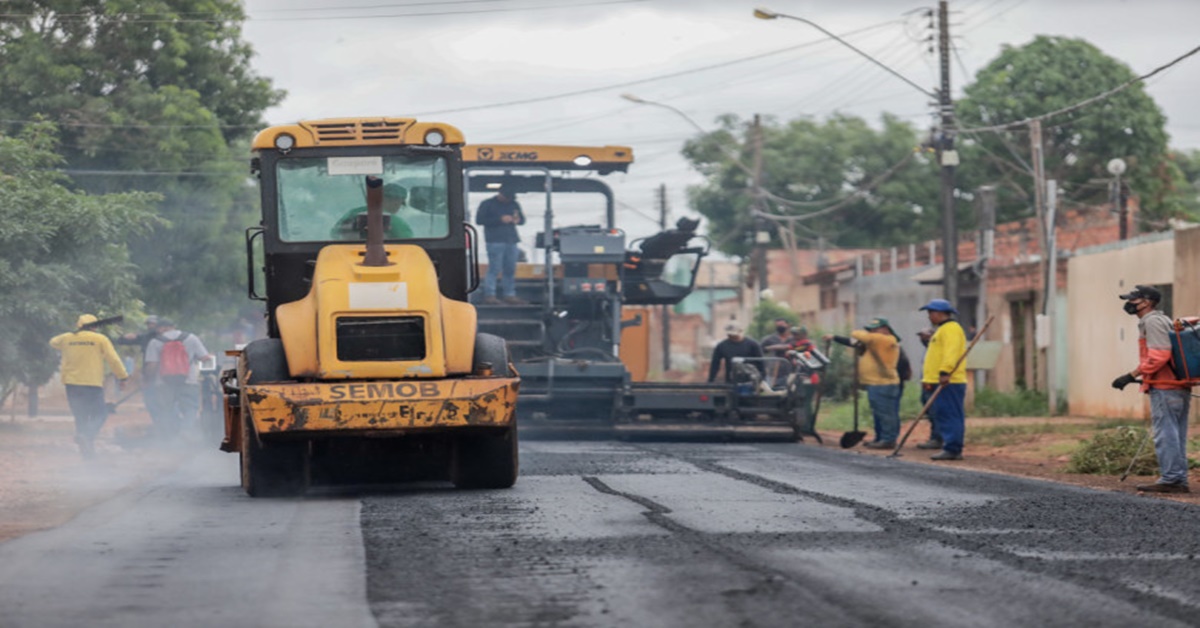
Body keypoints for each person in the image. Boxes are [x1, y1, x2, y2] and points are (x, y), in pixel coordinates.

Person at [1112, 285, 1192, 493]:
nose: (1129, 303)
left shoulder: (1152, 321)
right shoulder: (1162, 319)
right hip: (1176, 386)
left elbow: (1159, 355)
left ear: (1147, 302)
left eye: (1134, 300)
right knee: (1175, 434)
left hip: (1166, 387)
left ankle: (1173, 479)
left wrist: (1131, 375)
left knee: (1165, 434)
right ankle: (1177, 478)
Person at [49, 314, 130, 458]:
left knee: (81, 417)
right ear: (95, 326)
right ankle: (87, 436)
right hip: (92, 384)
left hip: (72, 384)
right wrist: (122, 376)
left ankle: (87, 454)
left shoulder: (67, 338)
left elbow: (53, 342)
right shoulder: (100, 339)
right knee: (100, 414)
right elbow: (114, 360)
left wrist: (74, 334)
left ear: (78, 325)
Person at [825, 318, 901, 448]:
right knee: (878, 413)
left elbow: (856, 334)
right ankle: (880, 438)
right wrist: (834, 337)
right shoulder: (874, 343)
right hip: (876, 384)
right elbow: (853, 342)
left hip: (884, 384)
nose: (871, 332)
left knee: (886, 413)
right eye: (870, 330)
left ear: (885, 329)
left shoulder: (886, 340)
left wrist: (865, 335)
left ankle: (888, 440)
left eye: (874, 329)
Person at [144, 319, 212, 441]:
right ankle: (185, 430)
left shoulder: (155, 342)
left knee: (166, 409)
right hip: (189, 380)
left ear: (159, 328)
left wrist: (149, 380)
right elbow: (205, 358)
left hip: (163, 382)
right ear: (174, 326)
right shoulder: (191, 338)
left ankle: (171, 438)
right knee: (191, 407)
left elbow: (152, 365)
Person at [919, 299, 968, 461]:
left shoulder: (951, 329)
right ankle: (949, 445)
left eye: (930, 313)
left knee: (950, 414)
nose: (929, 317)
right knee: (943, 414)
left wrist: (945, 371)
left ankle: (953, 448)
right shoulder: (942, 330)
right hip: (937, 380)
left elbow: (951, 352)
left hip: (949, 381)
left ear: (939, 313)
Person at [475, 183, 526, 305]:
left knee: (510, 269)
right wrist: (499, 219)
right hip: (494, 240)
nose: (508, 200)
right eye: (507, 197)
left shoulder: (514, 204)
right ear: (500, 194)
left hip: (511, 240)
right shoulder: (487, 204)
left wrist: (517, 220)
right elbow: (479, 220)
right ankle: (490, 295)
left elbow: (523, 220)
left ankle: (509, 294)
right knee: (494, 268)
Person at [116, 315, 165, 425]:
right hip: (151, 372)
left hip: (160, 373)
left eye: (152, 324)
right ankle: (159, 422)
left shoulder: (151, 336)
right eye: (148, 324)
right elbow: (123, 341)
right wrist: (125, 337)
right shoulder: (145, 337)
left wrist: (131, 337)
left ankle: (163, 422)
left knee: (158, 399)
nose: (150, 326)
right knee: (150, 399)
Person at [330, 182, 414, 240]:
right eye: (400, 203)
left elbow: (334, 233)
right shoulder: (395, 221)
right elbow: (409, 243)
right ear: (395, 201)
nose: (398, 206)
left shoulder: (353, 213)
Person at [914, 327, 942, 450]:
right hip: (926, 384)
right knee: (929, 412)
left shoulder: (937, 349)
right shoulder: (927, 350)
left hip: (934, 384)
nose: (922, 339)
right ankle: (934, 437)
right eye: (921, 337)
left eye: (925, 336)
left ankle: (937, 438)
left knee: (936, 412)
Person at [760, 318, 795, 388]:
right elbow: (760, 350)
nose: (780, 327)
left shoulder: (794, 338)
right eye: (778, 326)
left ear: (788, 325)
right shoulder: (769, 339)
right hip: (774, 373)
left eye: (782, 325)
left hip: (792, 371)